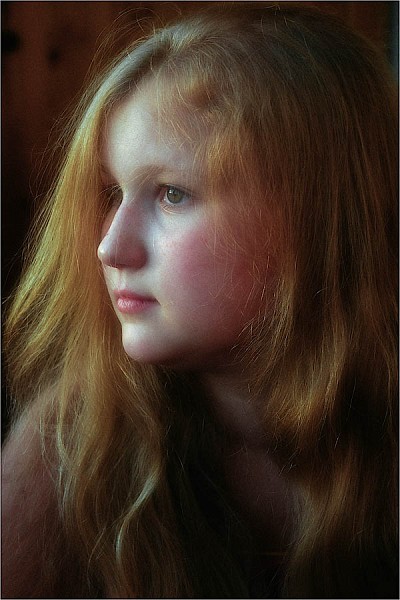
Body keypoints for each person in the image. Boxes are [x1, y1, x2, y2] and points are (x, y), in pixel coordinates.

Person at [2, 3, 398, 598]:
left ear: (320, 218)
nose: (110, 247)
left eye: (171, 194)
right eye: (111, 192)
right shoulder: (71, 445)